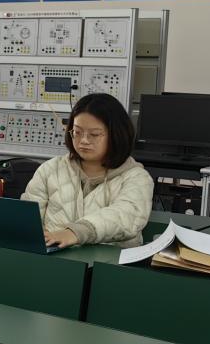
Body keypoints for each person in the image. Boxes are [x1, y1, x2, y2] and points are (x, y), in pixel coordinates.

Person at [23, 93, 153, 248]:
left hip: (109, 262)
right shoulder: (51, 169)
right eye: (77, 132)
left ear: (116, 135)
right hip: (53, 259)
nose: (83, 140)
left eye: (94, 134)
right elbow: (27, 218)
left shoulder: (137, 177)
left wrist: (76, 232)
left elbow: (126, 217)